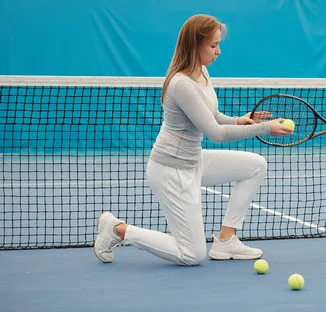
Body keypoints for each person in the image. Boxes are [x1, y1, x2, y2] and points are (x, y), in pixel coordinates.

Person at [93, 14, 293, 266]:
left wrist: (238, 120)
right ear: (194, 46)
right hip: (171, 170)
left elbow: (213, 116)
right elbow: (215, 134)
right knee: (191, 255)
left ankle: (225, 241)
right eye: (212, 45)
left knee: (256, 165)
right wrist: (264, 128)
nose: (218, 51)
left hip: (193, 160)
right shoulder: (181, 84)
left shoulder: (203, 73)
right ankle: (118, 229)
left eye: (218, 44)